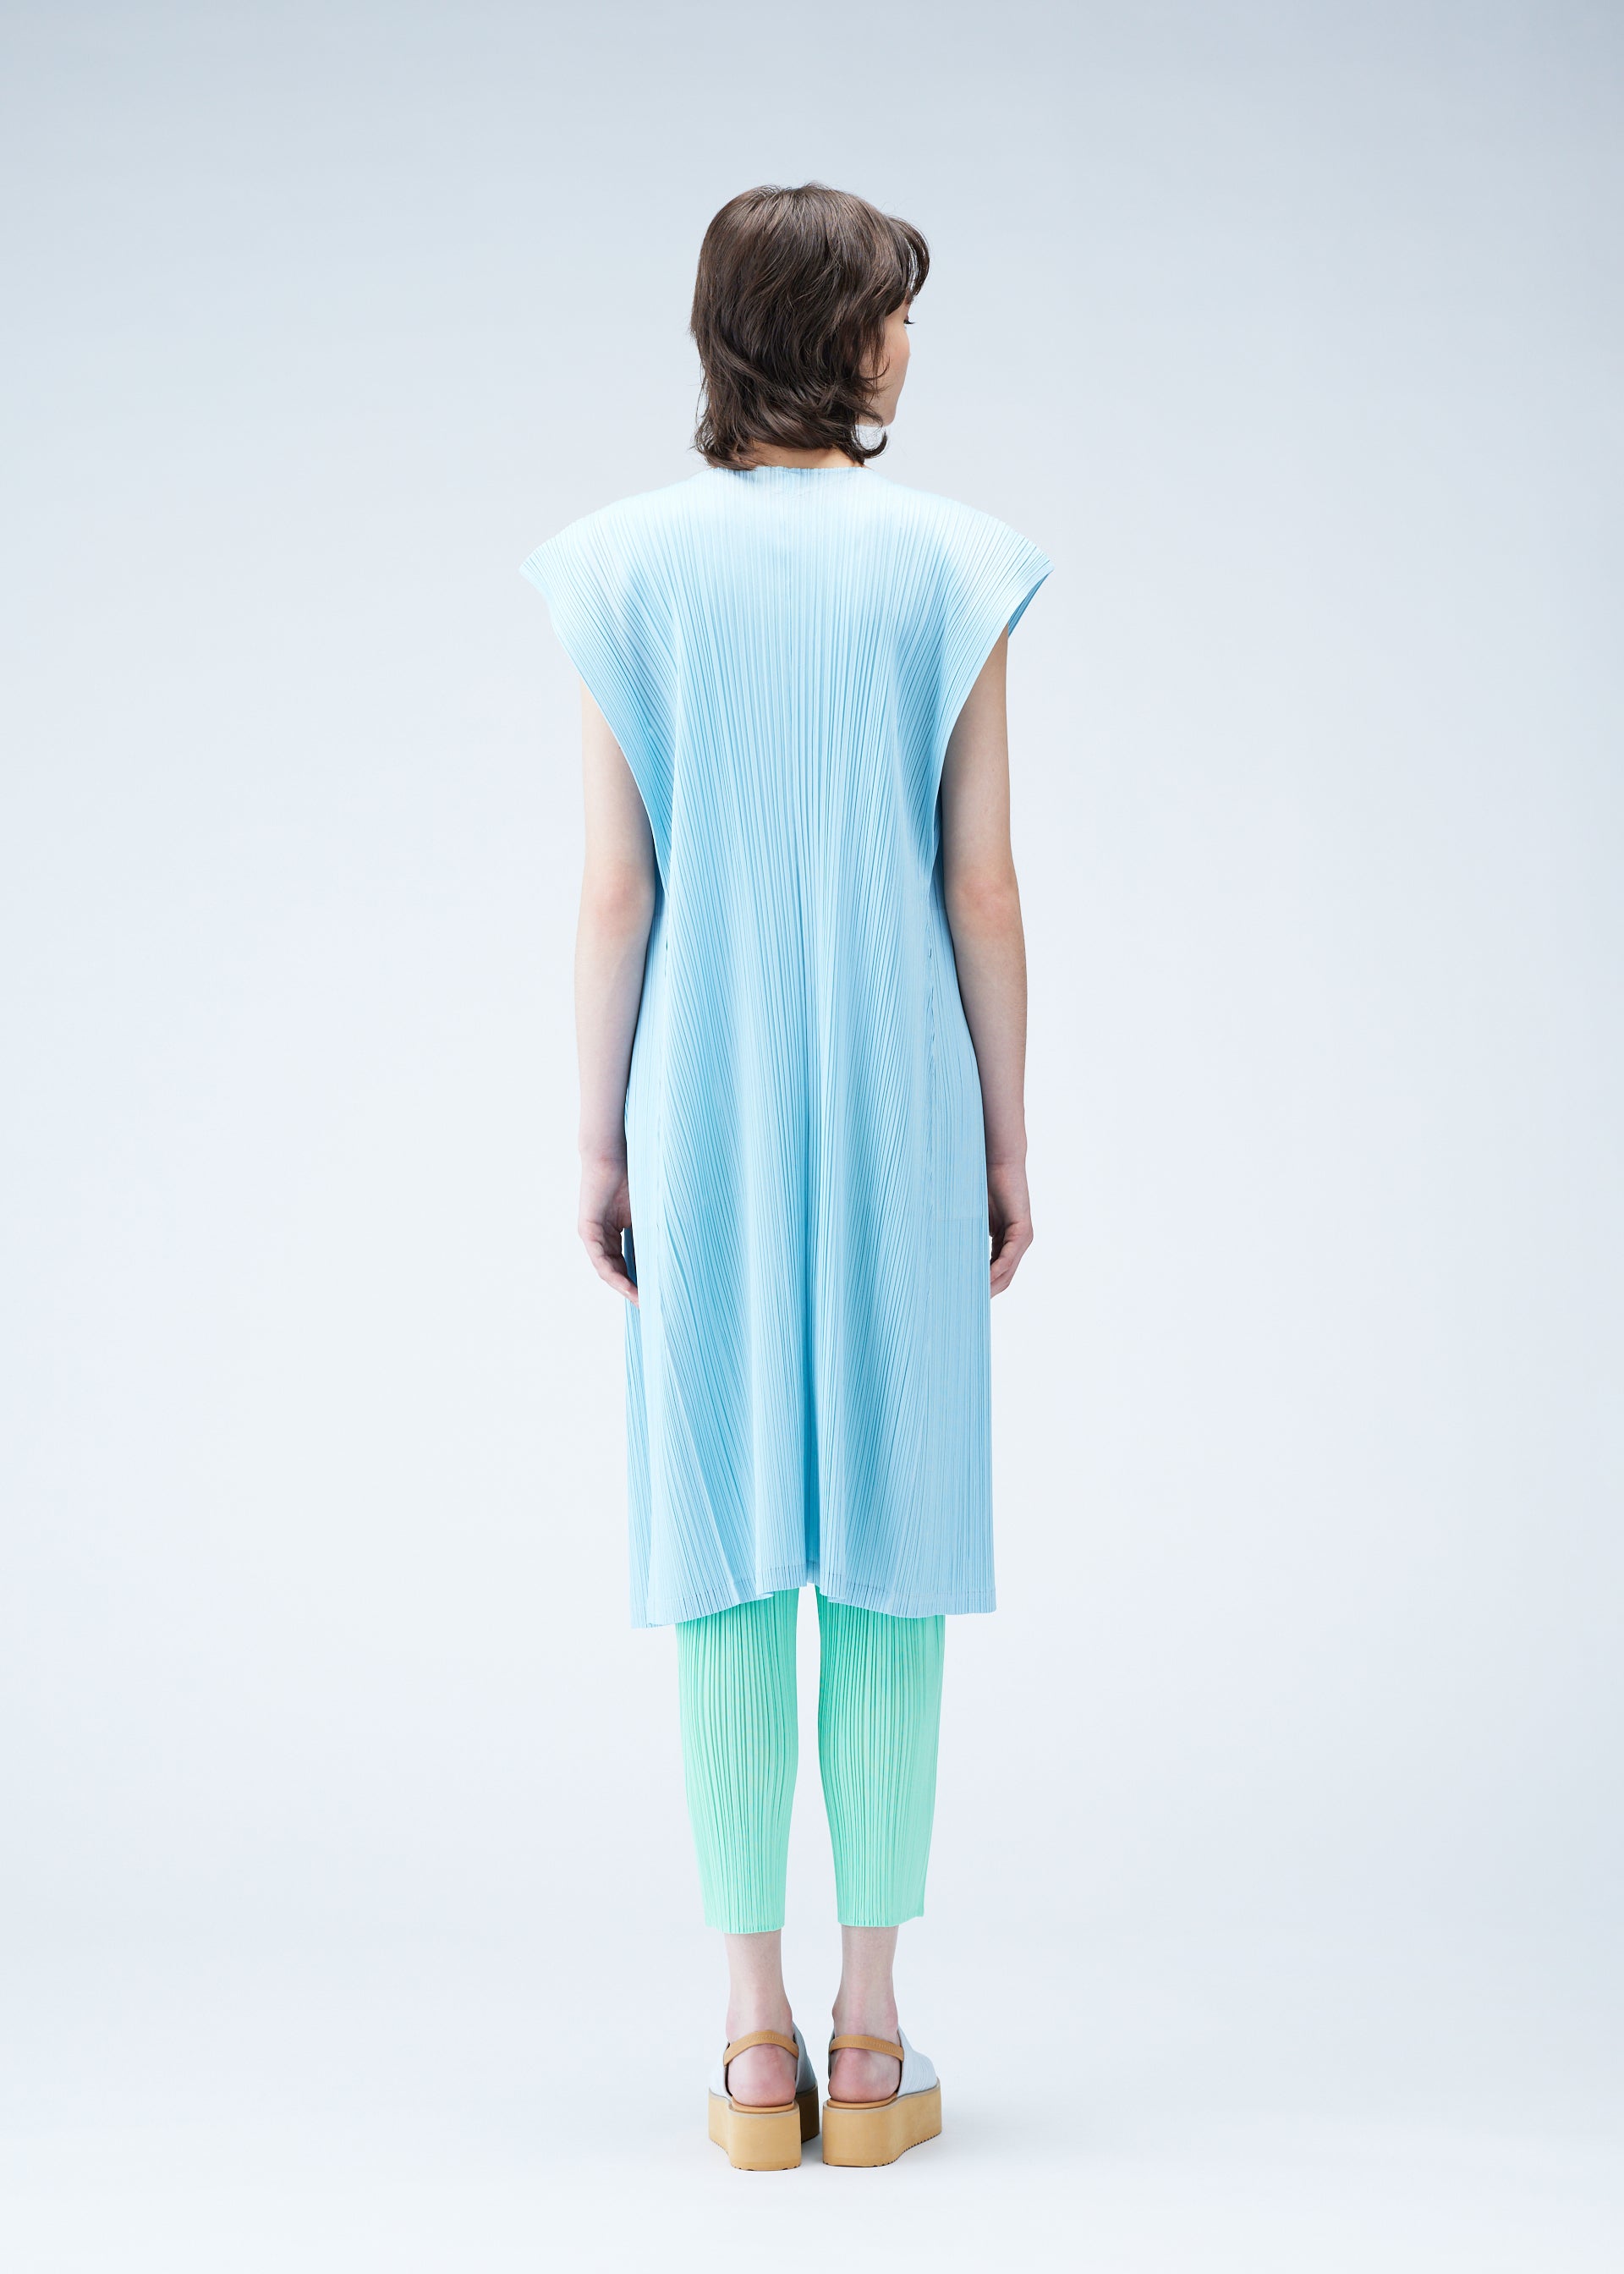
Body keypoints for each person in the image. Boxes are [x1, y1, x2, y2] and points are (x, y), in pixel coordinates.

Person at [520, 182, 1050, 2170]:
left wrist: (600, 1136)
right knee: (893, 1548)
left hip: (708, 1097)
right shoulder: (956, 565)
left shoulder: (621, 568)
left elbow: (616, 889)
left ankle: (752, 2046)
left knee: (729, 1545)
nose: (910, 341)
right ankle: (874, 2032)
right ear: (846, 338)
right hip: (904, 1091)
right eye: (897, 311)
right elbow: (981, 887)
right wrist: (1006, 1130)